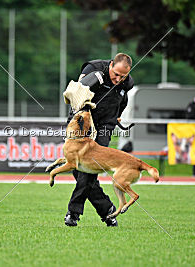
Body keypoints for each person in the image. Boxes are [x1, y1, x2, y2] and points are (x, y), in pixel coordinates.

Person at [64, 53, 134, 227]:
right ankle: (108, 210)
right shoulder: (92, 71)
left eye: (122, 76)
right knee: (78, 169)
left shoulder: (127, 83)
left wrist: (118, 116)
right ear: (110, 65)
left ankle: (73, 212)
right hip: (83, 122)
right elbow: (76, 95)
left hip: (105, 126)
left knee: (89, 167)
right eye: (115, 74)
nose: (118, 79)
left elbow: (123, 100)